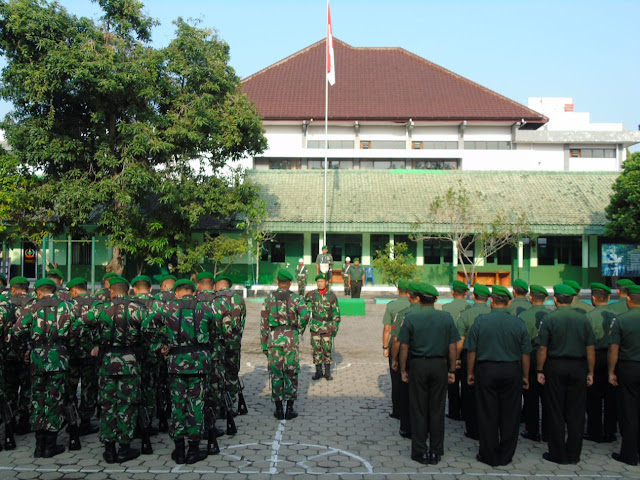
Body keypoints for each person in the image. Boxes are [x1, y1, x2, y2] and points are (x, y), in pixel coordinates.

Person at [466, 284, 531, 467]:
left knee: (487, 413)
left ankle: (488, 454)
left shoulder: (480, 321)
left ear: (492, 302)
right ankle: (506, 455)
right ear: (509, 302)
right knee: (510, 414)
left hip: (486, 370)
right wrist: (525, 376)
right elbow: (525, 353)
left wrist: (470, 372)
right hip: (512, 371)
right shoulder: (518, 323)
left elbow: (472, 350)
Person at [12, 278, 76, 458]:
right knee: (55, 400)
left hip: (38, 357)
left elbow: (17, 331)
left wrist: (28, 346)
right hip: (58, 357)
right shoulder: (67, 306)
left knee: (38, 399)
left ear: (39, 292)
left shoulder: (32, 307)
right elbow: (78, 330)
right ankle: (50, 444)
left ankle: (39, 445)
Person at [398, 282, 459, 466]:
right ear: (435, 300)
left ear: (418, 298)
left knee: (418, 409)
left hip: (418, 364)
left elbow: (404, 347)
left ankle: (419, 451)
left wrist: (403, 369)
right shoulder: (446, 318)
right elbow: (452, 347)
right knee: (437, 409)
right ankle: (436, 451)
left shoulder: (411, 318)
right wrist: (452, 369)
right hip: (439, 365)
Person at [537, 284, 595, 465]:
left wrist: (539, 369)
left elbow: (542, 348)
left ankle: (557, 453)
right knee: (576, 413)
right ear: (572, 299)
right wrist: (591, 371)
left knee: (556, 411)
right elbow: (590, 349)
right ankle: (574, 454)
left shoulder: (549, 318)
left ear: (556, 299)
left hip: (556, 366)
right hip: (579, 367)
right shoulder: (584, 319)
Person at [91, 276, 146, 464]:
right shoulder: (137, 309)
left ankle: (109, 449)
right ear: (128, 291)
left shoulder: (100, 309)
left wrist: (96, 342)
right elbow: (151, 331)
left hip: (107, 361)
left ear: (111, 292)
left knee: (107, 405)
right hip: (130, 361)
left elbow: (82, 325)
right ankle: (124, 448)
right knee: (127, 405)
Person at [159, 279, 212, 464]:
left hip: (176, 364)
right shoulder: (206, 308)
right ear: (194, 292)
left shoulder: (167, 308)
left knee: (177, 405)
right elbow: (217, 331)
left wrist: (163, 346)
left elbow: (149, 327)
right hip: (199, 364)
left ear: (176, 293)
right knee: (196, 405)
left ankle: (179, 451)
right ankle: (194, 450)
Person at [260, 270, 310, 420]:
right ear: (290, 283)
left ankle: (278, 409)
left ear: (277, 282)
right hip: (291, 339)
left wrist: (264, 344)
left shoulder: (268, 299)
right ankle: (289, 409)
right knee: (291, 372)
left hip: (274, 339)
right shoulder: (296, 298)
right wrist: (299, 330)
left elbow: (263, 324)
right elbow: (306, 315)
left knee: (276, 373)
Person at [131, 275, 165, 453]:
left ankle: (134, 423)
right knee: (151, 388)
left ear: (134, 289)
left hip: (133, 356)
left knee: (134, 389)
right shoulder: (159, 305)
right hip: (154, 354)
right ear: (150, 289)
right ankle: (148, 423)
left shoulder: (129, 304)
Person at [608, 284, 640, 466]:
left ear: (628, 299)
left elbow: (614, 349)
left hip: (629, 368)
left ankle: (629, 454)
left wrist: (611, 371)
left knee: (629, 413)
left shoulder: (621, 320)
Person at [455, 283, 491, 441]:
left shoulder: (466, 314)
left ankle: (472, 429)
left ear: (474, 297)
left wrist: (455, 359)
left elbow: (460, 342)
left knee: (469, 393)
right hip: (490, 358)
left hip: (469, 357)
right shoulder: (493, 312)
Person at [66, 277, 101, 437]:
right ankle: (85, 422)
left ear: (73, 290)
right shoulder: (96, 304)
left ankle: (70, 420)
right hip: (91, 354)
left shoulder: (68, 305)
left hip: (72, 353)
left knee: (70, 388)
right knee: (88, 388)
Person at [584, 283, 617, 443]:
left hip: (595, 357)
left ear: (593, 298)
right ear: (609, 298)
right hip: (614, 357)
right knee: (612, 397)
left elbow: (586, 341)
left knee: (593, 398)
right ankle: (610, 432)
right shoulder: (617, 315)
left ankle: (595, 431)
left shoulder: (589, 316)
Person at [518, 284, 551, 442]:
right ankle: (547, 431)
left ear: (531, 297)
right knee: (548, 398)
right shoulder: (552, 315)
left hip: (530, 356)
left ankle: (532, 431)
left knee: (530, 396)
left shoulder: (524, 316)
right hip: (548, 358)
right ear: (546, 299)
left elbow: (520, 340)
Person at [390, 282, 422, 438]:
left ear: (410, 296)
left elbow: (397, 341)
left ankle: (406, 427)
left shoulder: (405, 314)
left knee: (406, 394)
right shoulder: (440, 315)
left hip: (410, 359)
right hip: (433, 362)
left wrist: (395, 359)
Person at [212, 274, 246, 412]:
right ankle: (231, 401)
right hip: (234, 339)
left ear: (217, 285)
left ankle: (220, 401)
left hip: (217, 341)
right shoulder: (239, 299)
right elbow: (242, 320)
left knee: (218, 371)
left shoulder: (213, 300)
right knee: (232, 371)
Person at [5, 276, 34, 436]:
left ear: (13, 289)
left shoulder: (5, 303)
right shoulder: (33, 303)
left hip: (9, 353)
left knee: (10, 388)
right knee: (26, 388)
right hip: (27, 353)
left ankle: (10, 421)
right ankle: (24, 421)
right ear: (27, 288)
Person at [382, 280, 411, 418]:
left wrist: (385, 347)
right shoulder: (415, 305)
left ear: (399, 290)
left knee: (396, 379)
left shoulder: (392, 306)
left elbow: (387, 329)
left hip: (396, 345)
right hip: (411, 346)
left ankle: (397, 410)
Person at [442, 280, 469, 421]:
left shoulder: (446, 307)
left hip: (450, 348)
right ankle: (466, 411)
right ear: (466, 293)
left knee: (451, 382)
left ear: (453, 292)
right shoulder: (470, 307)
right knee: (466, 382)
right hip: (467, 351)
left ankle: (453, 411)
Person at [305, 273, 341, 381]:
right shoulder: (312, 294)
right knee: (316, 349)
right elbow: (302, 303)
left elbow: (336, 312)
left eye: (322, 281)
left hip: (327, 327)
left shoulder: (332, 296)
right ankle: (318, 372)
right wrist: (308, 311)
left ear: (326, 282)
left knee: (327, 350)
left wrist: (335, 327)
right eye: (318, 282)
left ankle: (327, 373)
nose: (320, 283)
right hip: (315, 326)